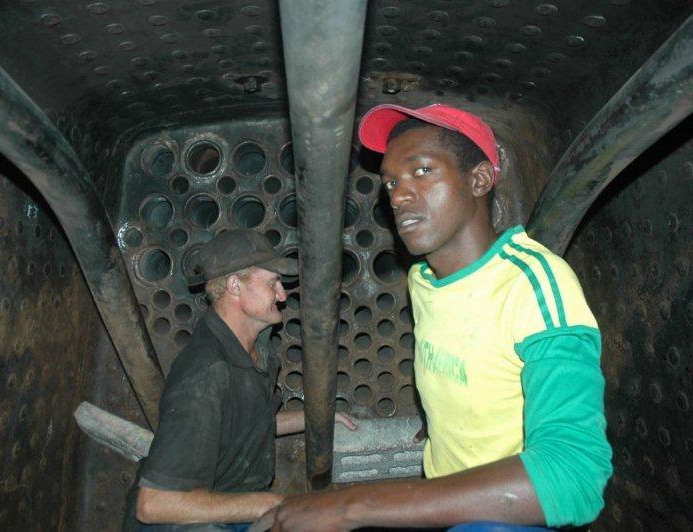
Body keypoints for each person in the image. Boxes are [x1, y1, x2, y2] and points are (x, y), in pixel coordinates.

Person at [254, 104, 612, 531]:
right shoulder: (424, 279)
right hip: (451, 495)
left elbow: (574, 477)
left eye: (422, 171)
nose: (400, 194)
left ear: (478, 180)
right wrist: (445, 427)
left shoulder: (534, 286)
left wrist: (352, 505)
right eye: (391, 182)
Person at [123, 229, 356, 532]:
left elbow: (247, 425)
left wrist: (320, 417)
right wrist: (268, 504)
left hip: (227, 505)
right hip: (186, 520)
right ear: (234, 286)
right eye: (273, 283)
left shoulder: (255, 347)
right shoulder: (206, 373)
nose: (283, 295)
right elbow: (153, 504)